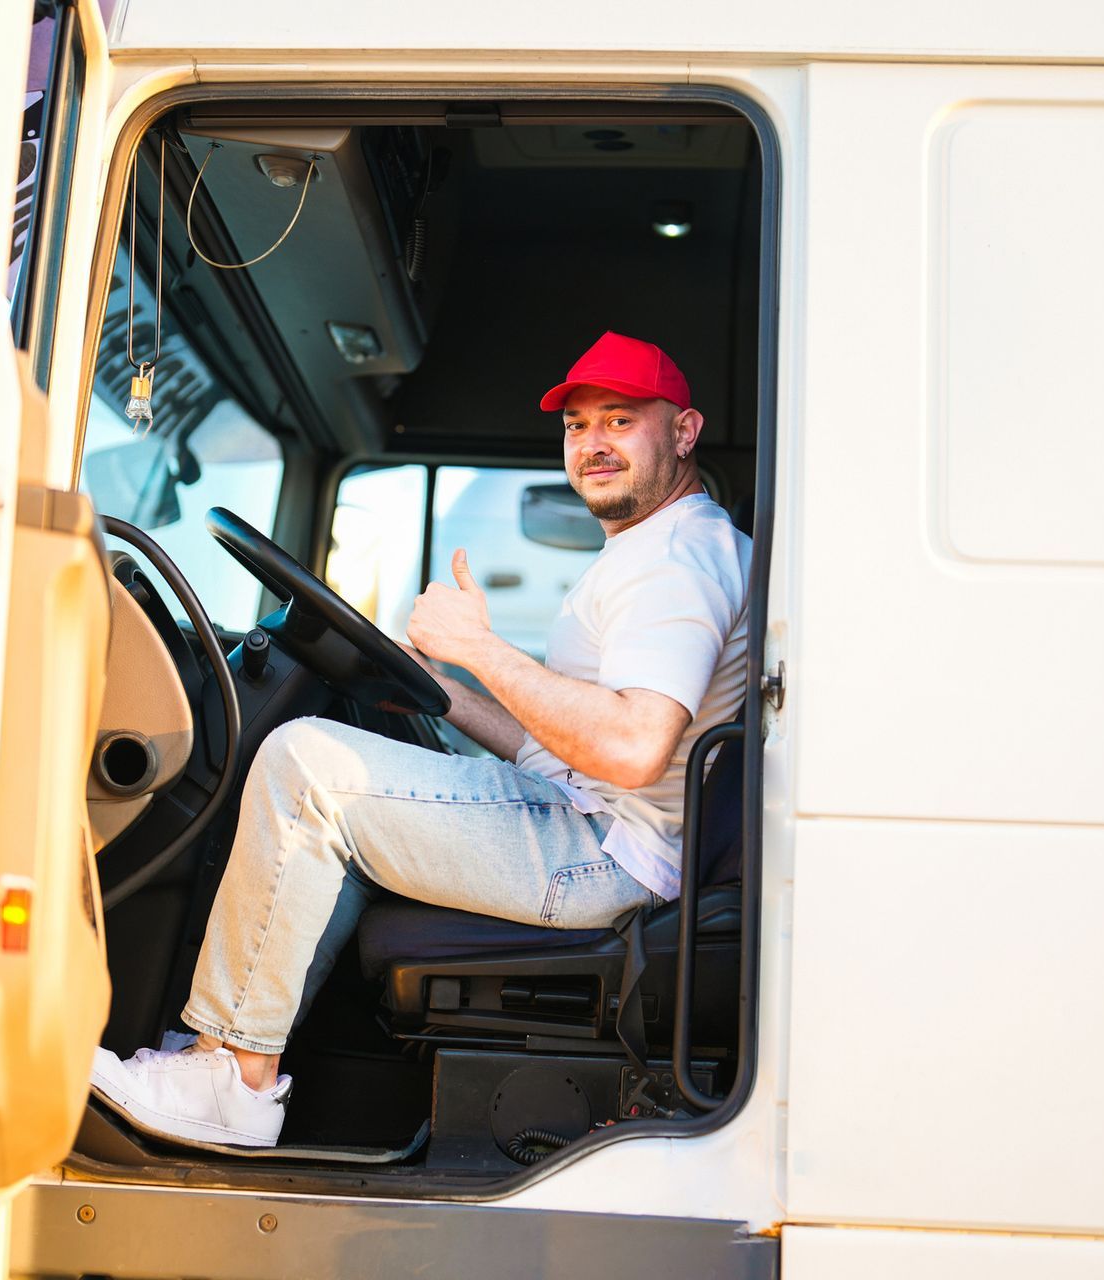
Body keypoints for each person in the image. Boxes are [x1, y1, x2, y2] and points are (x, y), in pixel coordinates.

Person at [89, 331, 753, 1147]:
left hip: (607, 860)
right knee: (337, 790)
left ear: (684, 432)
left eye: (620, 420)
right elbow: (580, 751)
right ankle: (234, 1055)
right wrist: (448, 694)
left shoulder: (676, 560)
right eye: (579, 427)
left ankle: (232, 1078)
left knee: (307, 767)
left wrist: (480, 647)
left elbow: (632, 749)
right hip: (597, 825)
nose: (593, 445)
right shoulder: (660, 549)